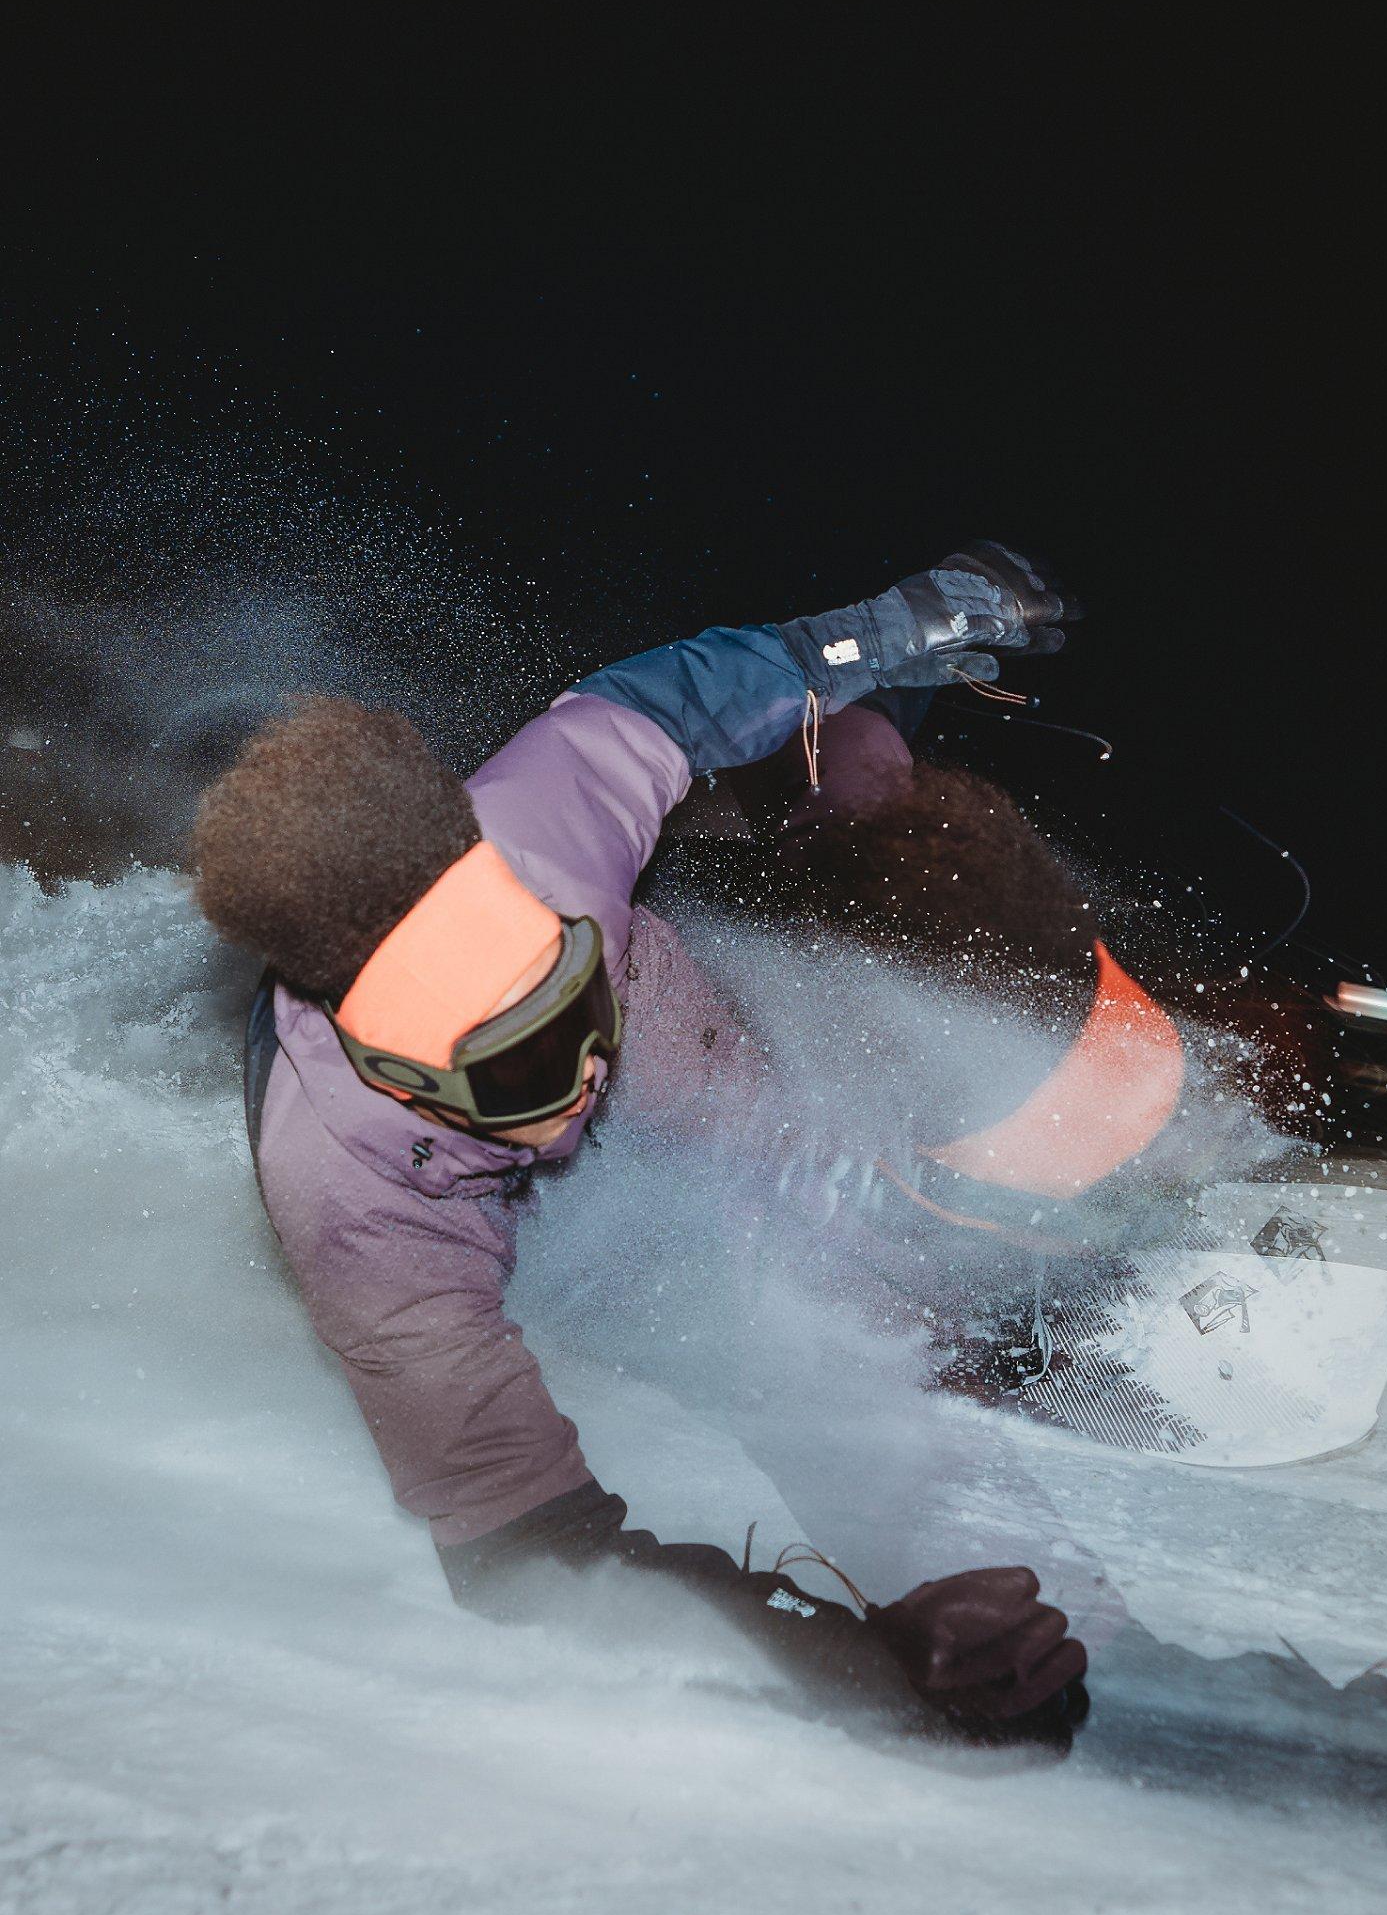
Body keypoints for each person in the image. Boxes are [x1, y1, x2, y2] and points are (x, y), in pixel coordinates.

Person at [192, 545, 1095, 1746]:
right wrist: (859, 1660)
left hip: (688, 1060)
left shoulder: (547, 817)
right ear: (388, 1066)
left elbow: (702, 687)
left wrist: (886, 628)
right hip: (530, 1228)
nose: (566, 1089)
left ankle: (915, 1266)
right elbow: (530, 1558)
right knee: (747, 1330)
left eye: (558, 1004)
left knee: (775, 1116)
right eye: (502, 1074)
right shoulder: (360, 1211)